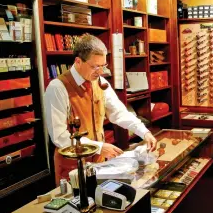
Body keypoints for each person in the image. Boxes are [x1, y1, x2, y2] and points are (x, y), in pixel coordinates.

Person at [44, 34, 157, 185]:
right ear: (78, 61)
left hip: (100, 164)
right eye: (95, 66)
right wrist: (99, 147)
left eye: (103, 65)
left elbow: (119, 113)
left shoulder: (100, 82)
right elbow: (59, 137)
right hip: (72, 168)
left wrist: (144, 132)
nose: (100, 71)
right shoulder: (57, 88)